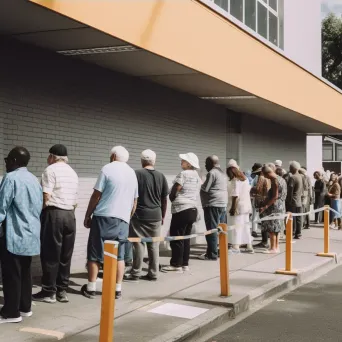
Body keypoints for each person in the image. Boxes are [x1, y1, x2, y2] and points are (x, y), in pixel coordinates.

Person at [81, 146, 138, 300]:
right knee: (119, 255)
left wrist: (88, 215)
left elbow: (96, 194)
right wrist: (128, 216)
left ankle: (91, 288)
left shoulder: (107, 168)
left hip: (103, 217)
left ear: (113, 156)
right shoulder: (132, 173)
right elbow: (134, 201)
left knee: (95, 253)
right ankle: (117, 289)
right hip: (123, 220)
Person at [0, 147, 43, 323]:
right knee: (25, 272)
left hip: (14, 234)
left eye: (7, 160)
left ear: (14, 161)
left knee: (11, 274)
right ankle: (25, 307)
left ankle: (11, 313)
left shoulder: (10, 179)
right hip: (31, 234)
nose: (6, 163)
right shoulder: (34, 179)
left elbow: (1, 208)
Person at [33, 145, 79, 304]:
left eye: (48, 156)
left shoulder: (50, 170)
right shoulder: (73, 173)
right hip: (70, 216)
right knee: (66, 255)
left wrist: (40, 212)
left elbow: (46, 195)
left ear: (52, 157)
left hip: (54, 214)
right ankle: (62, 291)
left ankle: (48, 291)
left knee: (51, 253)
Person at [124, 150, 169, 282]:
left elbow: (130, 195)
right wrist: (163, 216)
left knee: (138, 244)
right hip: (156, 214)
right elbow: (164, 199)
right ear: (154, 161)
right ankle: (153, 273)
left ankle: (136, 273)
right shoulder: (161, 176)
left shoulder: (136, 174)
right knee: (153, 245)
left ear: (142, 161)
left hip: (139, 214)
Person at [163, 153, 201, 272]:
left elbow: (176, 188)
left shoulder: (183, 174)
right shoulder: (197, 176)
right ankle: (185, 263)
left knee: (177, 237)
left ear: (189, 163)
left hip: (181, 209)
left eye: (183, 160)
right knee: (186, 238)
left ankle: (176, 264)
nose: (181, 162)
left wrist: (172, 198)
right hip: (192, 209)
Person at [198, 155, 227, 261]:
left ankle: (212, 255)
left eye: (206, 163)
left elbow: (205, 188)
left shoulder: (212, 173)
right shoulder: (222, 173)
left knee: (211, 230)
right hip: (222, 204)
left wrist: (200, 183)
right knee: (220, 229)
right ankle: (217, 251)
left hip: (212, 205)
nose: (205, 166)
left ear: (211, 163)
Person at [226, 159, 253, 254]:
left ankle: (235, 247)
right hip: (246, 207)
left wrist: (233, 208)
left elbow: (235, 195)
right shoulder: (245, 179)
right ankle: (249, 246)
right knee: (245, 226)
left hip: (237, 207)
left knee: (235, 227)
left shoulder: (235, 180)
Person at [259, 165, 287, 253]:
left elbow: (275, 196)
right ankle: (276, 247)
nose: (265, 177)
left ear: (268, 173)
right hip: (281, 205)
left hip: (275, 207)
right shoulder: (281, 179)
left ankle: (273, 248)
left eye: (265, 175)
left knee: (272, 229)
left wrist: (265, 206)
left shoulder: (274, 180)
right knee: (277, 228)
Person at [286, 161, 303, 239]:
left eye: (290, 167)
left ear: (293, 168)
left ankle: (292, 232)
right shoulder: (300, 176)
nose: (289, 169)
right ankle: (298, 233)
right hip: (299, 200)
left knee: (292, 218)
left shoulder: (292, 177)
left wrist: (288, 201)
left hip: (292, 201)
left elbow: (290, 191)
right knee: (298, 218)